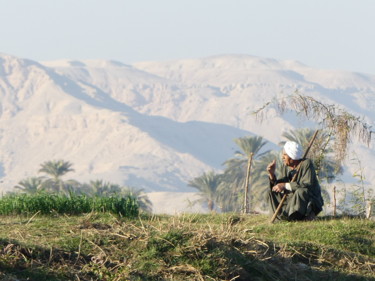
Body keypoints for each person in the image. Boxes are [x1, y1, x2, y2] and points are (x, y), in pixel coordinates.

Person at [267, 141, 324, 221]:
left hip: (308, 199)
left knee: (300, 191)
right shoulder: (286, 166)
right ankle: (280, 218)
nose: (282, 157)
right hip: (291, 199)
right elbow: (280, 185)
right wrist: (272, 175)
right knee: (272, 192)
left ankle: (299, 217)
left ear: (292, 157)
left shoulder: (306, 164)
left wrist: (286, 186)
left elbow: (307, 184)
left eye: (285, 155)